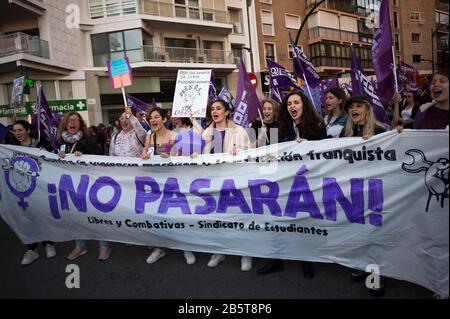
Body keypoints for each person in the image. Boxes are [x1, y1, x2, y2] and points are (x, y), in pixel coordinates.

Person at [272, 90, 328, 279]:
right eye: (289, 104)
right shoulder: (280, 128)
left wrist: (310, 145)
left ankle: (307, 260)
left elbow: (325, 152)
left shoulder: (318, 125)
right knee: (277, 220)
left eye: (296, 102)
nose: (292, 107)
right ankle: (276, 259)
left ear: (303, 104)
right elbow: (272, 153)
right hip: (285, 180)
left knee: (305, 222)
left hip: (307, 181)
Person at [339, 94, 388, 297]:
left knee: (374, 234)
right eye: (351, 107)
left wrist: (396, 136)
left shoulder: (380, 131)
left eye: (359, 106)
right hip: (353, 191)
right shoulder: (345, 132)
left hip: (375, 192)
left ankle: (376, 274)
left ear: (367, 109)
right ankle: (360, 265)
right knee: (356, 232)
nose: (354, 109)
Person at [201, 99, 253, 271]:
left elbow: (249, 153)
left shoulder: (239, 130)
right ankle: (219, 251)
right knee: (217, 218)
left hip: (235, 180)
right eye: (212, 109)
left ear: (226, 112)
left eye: (218, 108)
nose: (214, 112)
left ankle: (246, 253)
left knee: (239, 216)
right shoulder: (206, 133)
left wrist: (240, 152)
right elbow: (203, 157)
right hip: (214, 181)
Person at [56, 112, 109, 261]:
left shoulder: (88, 139)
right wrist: (56, 155)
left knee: (96, 215)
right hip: (70, 184)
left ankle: (104, 245)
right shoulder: (61, 140)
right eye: (70, 120)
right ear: (65, 124)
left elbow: (98, 156)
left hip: (89, 184)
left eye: (76, 121)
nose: (73, 123)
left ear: (80, 124)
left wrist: (84, 156)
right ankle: (80, 246)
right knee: (75, 216)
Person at [8, 120, 56, 265]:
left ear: (28, 130)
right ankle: (31, 249)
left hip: (40, 188)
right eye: (15, 131)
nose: (17, 133)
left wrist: (46, 153)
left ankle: (48, 244)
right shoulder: (10, 147)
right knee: (26, 218)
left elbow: (54, 162)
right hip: (21, 190)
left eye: (20, 130)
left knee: (43, 215)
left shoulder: (41, 144)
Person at [140, 107, 177, 264]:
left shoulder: (172, 135)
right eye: (151, 118)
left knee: (174, 214)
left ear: (163, 119)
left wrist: (167, 155)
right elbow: (145, 152)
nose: (153, 120)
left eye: (156, 117)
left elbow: (172, 152)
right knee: (154, 214)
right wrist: (143, 155)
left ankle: (184, 248)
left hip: (171, 180)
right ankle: (159, 247)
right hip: (154, 181)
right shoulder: (149, 135)